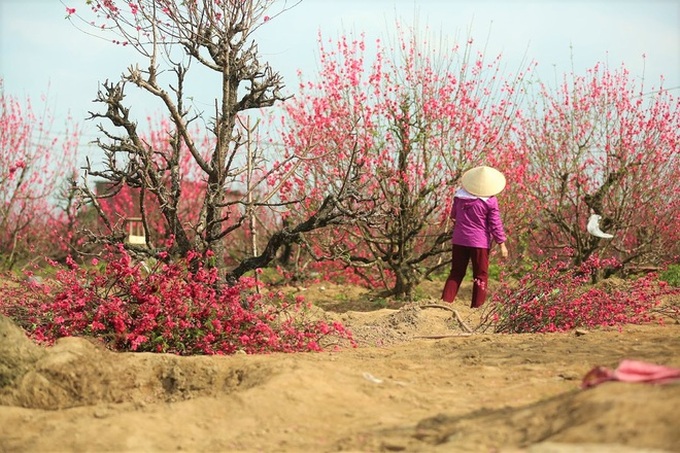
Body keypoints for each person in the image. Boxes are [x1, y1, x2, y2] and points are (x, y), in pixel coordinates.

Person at [441, 165, 508, 308]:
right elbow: (495, 223)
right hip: (479, 242)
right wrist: (501, 243)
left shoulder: (459, 196)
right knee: (480, 275)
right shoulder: (490, 201)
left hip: (459, 240)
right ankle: (477, 307)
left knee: (456, 272)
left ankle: (445, 303)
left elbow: (453, 216)